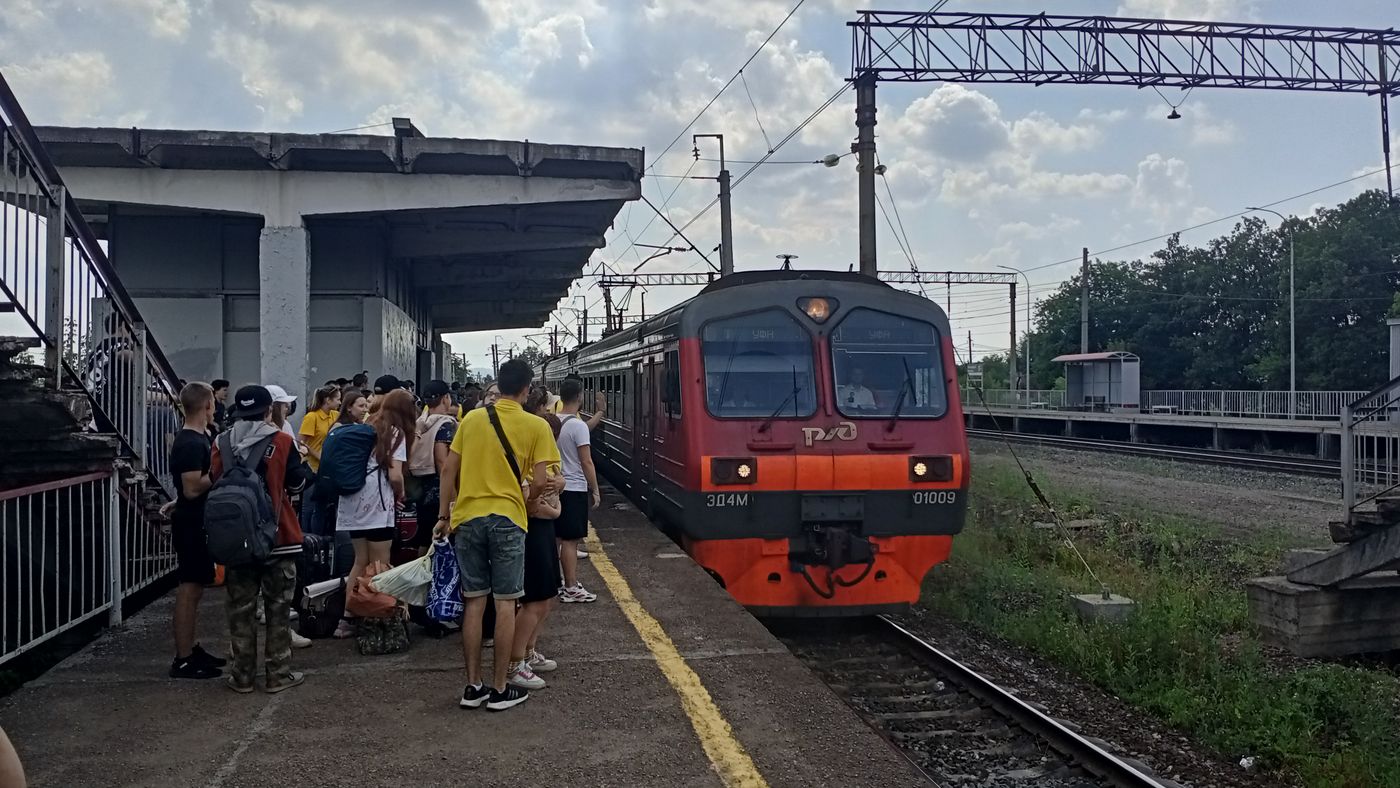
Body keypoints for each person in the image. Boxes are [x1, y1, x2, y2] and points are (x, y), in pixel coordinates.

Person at [434, 359, 562, 711]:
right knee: (506, 602)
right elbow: (541, 481)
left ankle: (473, 686)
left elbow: (448, 470)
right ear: (526, 390)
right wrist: (529, 502)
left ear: (499, 384)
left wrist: (444, 515)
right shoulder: (536, 425)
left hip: (468, 518)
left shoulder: (472, 420)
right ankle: (501, 688)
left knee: (474, 602)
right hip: (507, 519)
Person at [211, 385, 311, 693]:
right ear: (269, 410)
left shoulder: (221, 442)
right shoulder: (282, 441)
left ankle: (242, 676)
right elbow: (297, 484)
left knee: (240, 609)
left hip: (237, 539)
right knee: (278, 609)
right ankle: (277, 674)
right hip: (278, 537)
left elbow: (214, 479)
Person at [332, 389, 417, 639]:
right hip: (376, 502)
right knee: (380, 564)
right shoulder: (395, 432)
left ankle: (347, 618)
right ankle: (378, 619)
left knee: (360, 561)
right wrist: (401, 493)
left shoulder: (367, 424)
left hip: (352, 500)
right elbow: (395, 475)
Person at [167, 382, 226, 680]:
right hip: (191, 524)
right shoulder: (190, 442)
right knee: (189, 588)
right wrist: (219, 470)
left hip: (197, 519)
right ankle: (183, 658)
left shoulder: (200, 437)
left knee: (198, 587)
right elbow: (191, 489)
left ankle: (190, 648)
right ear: (207, 405)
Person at [511, 388, 563, 687]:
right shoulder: (530, 435)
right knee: (535, 599)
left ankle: (528, 652)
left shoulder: (539, 435)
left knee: (547, 596)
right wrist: (551, 510)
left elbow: (555, 479)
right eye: (545, 409)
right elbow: (529, 490)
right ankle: (515, 661)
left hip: (544, 528)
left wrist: (561, 483)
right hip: (533, 527)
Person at [555, 378, 601, 603]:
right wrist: (595, 489)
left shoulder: (552, 421)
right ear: (580, 396)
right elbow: (586, 461)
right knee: (570, 541)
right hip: (574, 487)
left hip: (556, 487)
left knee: (556, 538)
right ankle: (571, 586)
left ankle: (556, 582)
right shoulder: (578, 426)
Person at [299, 385, 341, 474]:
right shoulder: (312, 417)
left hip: (330, 467)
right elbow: (301, 443)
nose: (340, 403)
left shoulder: (336, 415)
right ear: (328, 400)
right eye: (338, 399)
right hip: (313, 468)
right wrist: (318, 456)